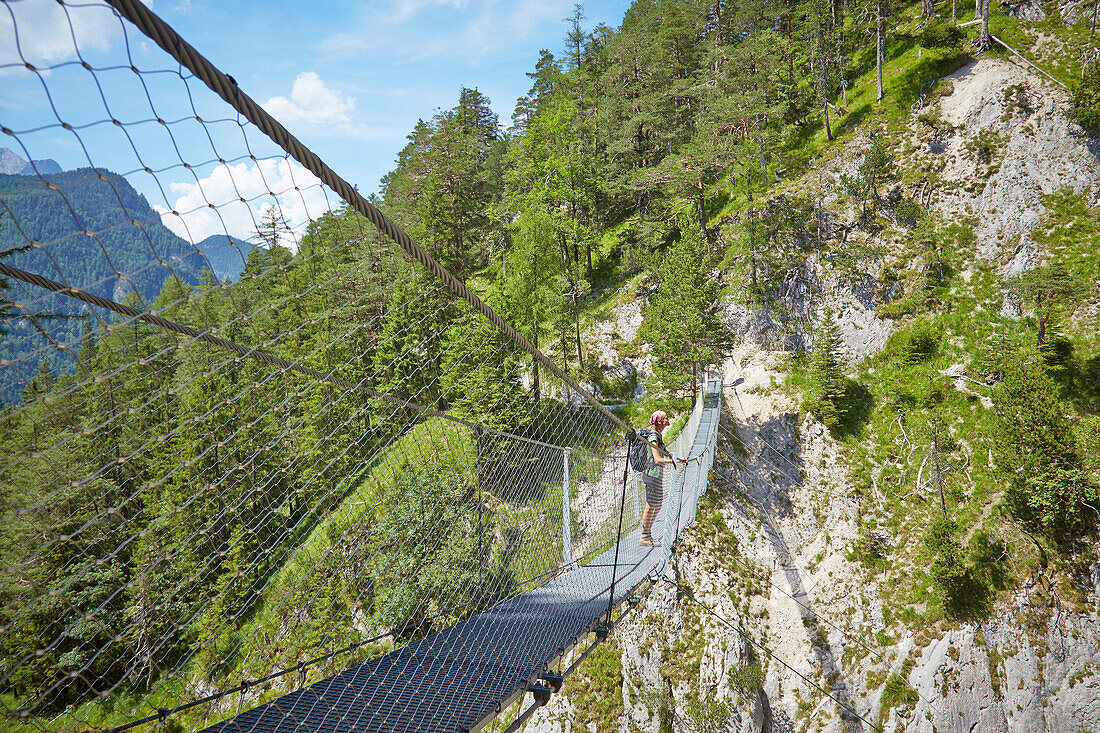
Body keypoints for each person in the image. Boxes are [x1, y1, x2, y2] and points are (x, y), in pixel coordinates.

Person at [638, 410, 687, 546]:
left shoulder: (658, 436)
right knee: (651, 504)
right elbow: (658, 459)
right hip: (652, 475)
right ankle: (644, 536)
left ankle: (648, 534)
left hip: (656, 475)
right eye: (665, 418)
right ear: (659, 422)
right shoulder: (653, 437)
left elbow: (665, 452)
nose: (668, 419)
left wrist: (679, 459)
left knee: (657, 504)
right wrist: (672, 462)